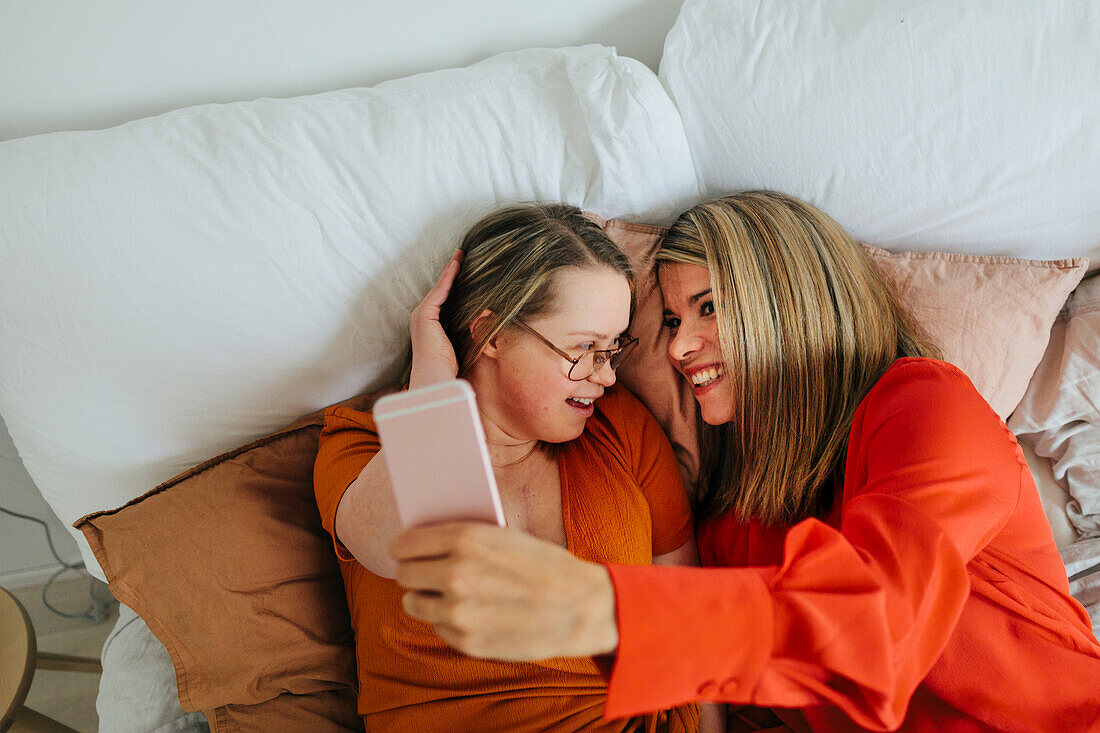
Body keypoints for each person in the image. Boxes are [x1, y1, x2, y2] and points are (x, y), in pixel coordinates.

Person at [391, 192, 1100, 732]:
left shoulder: (922, 406)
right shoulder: (735, 528)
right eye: (671, 320)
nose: (676, 346)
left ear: (786, 300)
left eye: (707, 307)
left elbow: (884, 629)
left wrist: (602, 608)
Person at [313, 204, 715, 732]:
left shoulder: (620, 430)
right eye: (583, 349)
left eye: (612, 349)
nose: (606, 376)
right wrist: (434, 377)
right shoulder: (362, 448)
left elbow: (692, 620)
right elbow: (413, 542)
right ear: (493, 334)